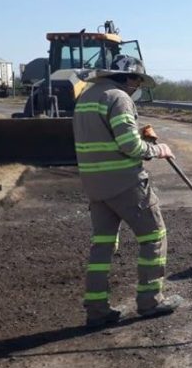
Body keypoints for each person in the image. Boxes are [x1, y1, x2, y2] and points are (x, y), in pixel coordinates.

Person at [73, 55, 183, 327]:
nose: (137, 86)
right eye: (137, 80)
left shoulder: (87, 97)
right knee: (154, 236)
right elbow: (129, 146)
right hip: (125, 183)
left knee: (103, 245)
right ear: (129, 77)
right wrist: (158, 150)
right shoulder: (119, 98)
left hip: (95, 185)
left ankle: (96, 309)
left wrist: (138, 137)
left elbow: (108, 138)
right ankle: (150, 301)